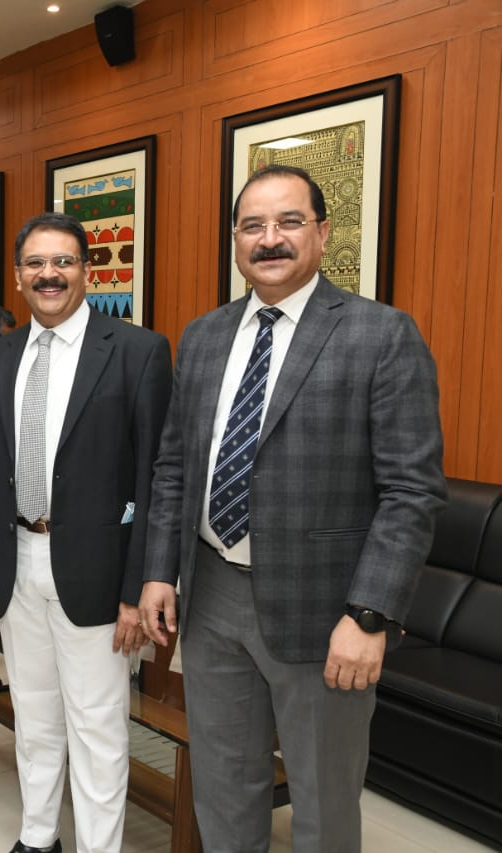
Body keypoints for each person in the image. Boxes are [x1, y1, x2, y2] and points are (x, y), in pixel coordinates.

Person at [139, 165, 446, 852]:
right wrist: (160, 570)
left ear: (323, 232)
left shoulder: (380, 334)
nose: (269, 238)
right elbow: (174, 465)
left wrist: (369, 614)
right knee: (223, 785)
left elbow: (412, 490)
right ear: (235, 241)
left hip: (326, 608)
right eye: (252, 225)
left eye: (288, 222)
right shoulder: (204, 336)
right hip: (212, 593)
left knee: (323, 800)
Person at [0, 212, 172, 853]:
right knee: (34, 713)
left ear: (86, 270)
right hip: (16, 560)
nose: (49, 274)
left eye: (63, 262)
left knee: (97, 724)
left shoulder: (137, 351)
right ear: (18, 274)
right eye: (35, 263)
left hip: (98, 573)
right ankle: (38, 835)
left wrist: (137, 589)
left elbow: (157, 480)